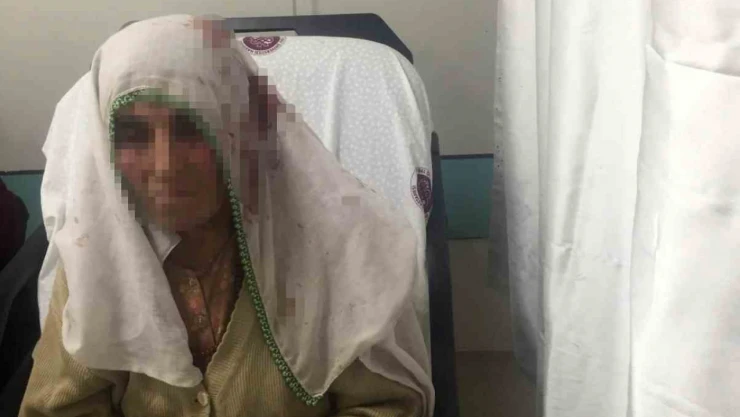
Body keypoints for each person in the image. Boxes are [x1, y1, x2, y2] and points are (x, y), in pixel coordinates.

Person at [20, 15, 433, 416]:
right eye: (133, 135)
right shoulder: (93, 264)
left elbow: (388, 405)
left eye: (191, 128)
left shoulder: (337, 254)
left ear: (242, 131)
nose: (165, 166)